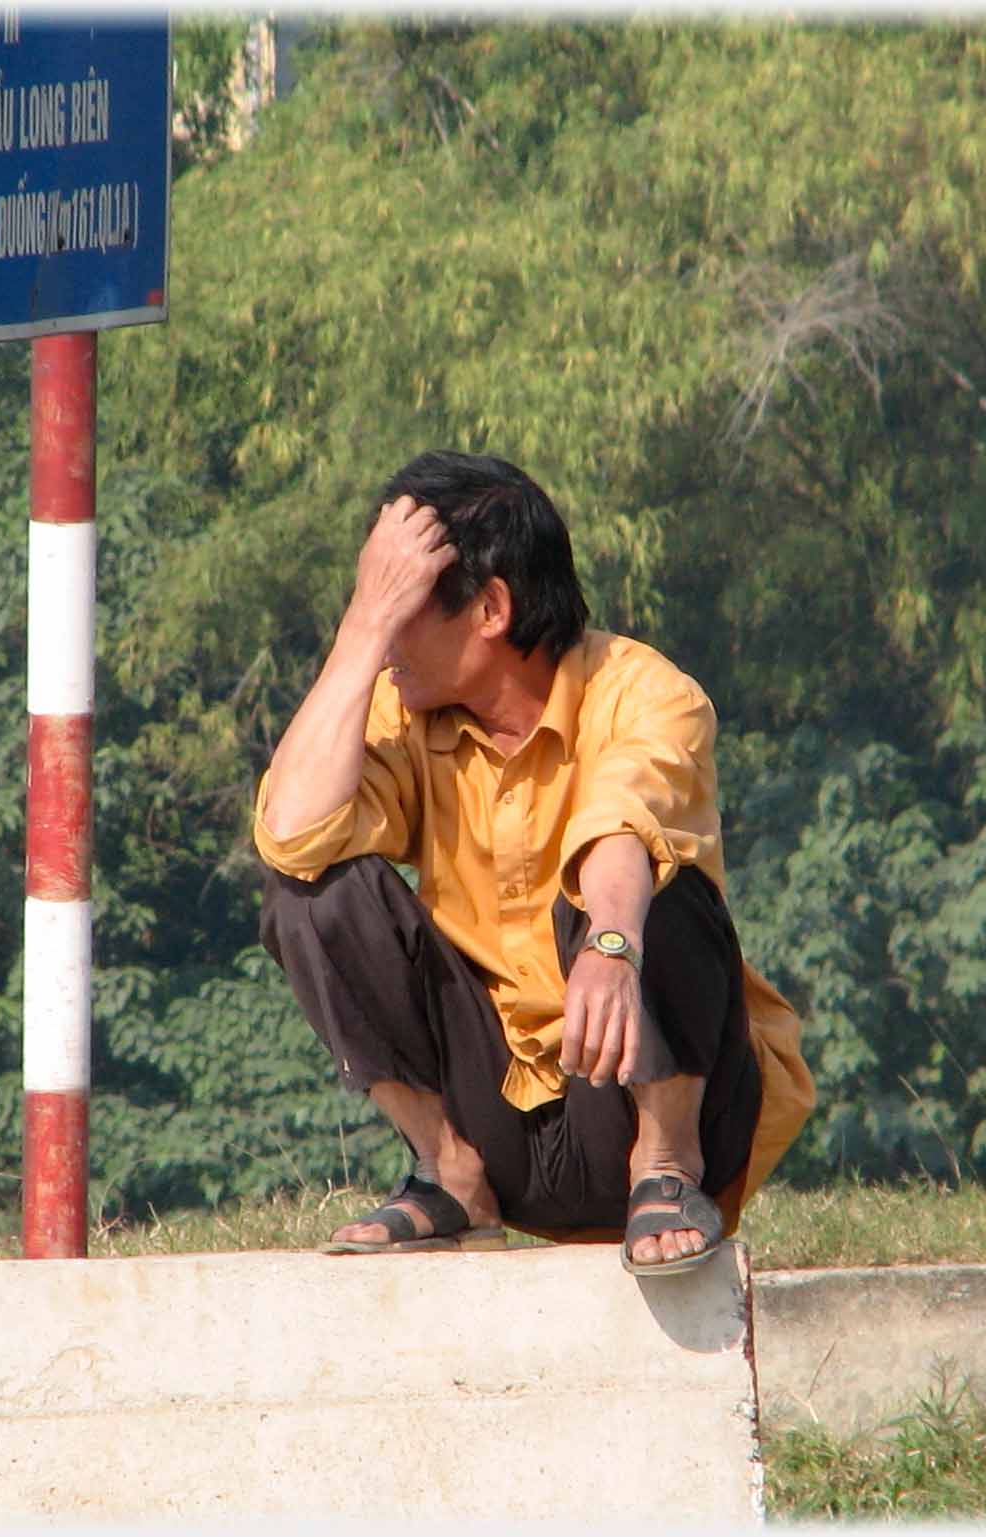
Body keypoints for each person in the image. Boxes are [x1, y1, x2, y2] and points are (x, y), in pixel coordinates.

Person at [253, 451, 814, 1273]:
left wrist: (612, 945)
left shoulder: (645, 691)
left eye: (399, 604)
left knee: (659, 887)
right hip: (501, 1117)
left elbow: (622, 823)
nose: (385, 641)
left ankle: (666, 1167)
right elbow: (292, 835)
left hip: (635, 1088)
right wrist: (363, 626)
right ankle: (450, 1174)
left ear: (491, 608)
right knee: (311, 892)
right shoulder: (400, 706)